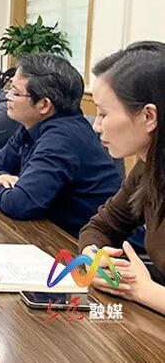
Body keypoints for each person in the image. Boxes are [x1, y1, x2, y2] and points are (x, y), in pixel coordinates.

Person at [0, 53, 122, 237]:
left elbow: (21, 203)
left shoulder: (62, 138)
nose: (8, 97)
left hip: (89, 243)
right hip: (57, 231)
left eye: (16, 92)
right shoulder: (32, 126)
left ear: (44, 105)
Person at [78, 41, 165, 315]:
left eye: (104, 113)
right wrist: (96, 258)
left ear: (149, 116)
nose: (96, 126)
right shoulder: (147, 167)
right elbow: (102, 226)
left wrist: (143, 290)